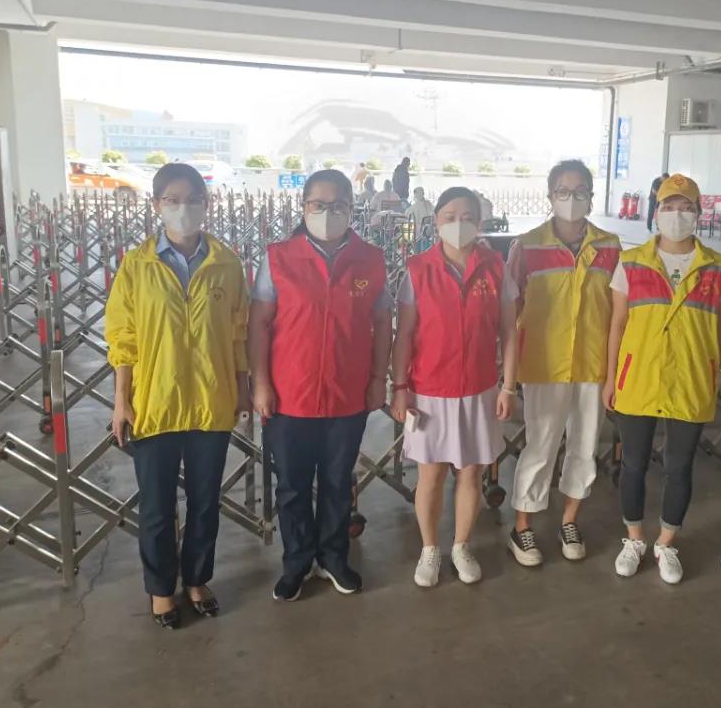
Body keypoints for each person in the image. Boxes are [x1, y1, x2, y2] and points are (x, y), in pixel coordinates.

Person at [106, 162, 250, 629]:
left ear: (207, 205)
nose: (183, 208)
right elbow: (123, 338)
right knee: (156, 505)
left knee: (206, 500)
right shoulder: (137, 265)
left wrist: (242, 388)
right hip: (154, 402)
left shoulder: (226, 264)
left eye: (192, 200)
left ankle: (197, 580)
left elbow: (239, 334)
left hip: (211, 400)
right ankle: (161, 589)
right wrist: (122, 401)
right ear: (156, 205)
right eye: (172, 199)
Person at [248, 169, 392, 601]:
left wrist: (378, 379)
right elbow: (259, 324)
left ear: (352, 208)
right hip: (289, 394)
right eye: (318, 204)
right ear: (304, 206)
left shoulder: (371, 259)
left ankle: (333, 557)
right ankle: (297, 562)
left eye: (338, 205)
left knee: (337, 482)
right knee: (292, 486)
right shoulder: (278, 258)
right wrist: (260, 383)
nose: (328, 213)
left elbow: (383, 323)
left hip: (348, 393)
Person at [603, 175, 721, 583]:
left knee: (679, 467)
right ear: (656, 212)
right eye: (669, 206)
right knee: (633, 464)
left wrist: (713, 373)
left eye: (687, 207)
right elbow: (617, 323)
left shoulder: (718, 267)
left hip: (691, 380)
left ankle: (666, 542)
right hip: (637, 379)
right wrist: (611, 378)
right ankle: (634, 539)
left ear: (699, 213)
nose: (678, 215)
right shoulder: (631, 261)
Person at [390, 187, 519, 587]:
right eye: (449, 217)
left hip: (479, 388)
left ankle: (462, 545)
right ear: (436, 222)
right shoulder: (417, 269)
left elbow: (509, 332)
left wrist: (508, 387)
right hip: (430, 389)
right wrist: (399, 385)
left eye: (467, 217)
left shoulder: (496, 268)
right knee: (431, 474)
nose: (458, 224)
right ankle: (430, 548)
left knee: (470, 472)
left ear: (480, 223)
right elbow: (404, 334)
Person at [506, 159, 621, 566]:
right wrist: (507, 372)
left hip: (592, 362)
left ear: (591, 195)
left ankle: (569, 521)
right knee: (541, 446)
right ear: (550, 195)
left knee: (585, 446)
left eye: (580, 191)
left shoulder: (610, 247)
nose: (571, 198)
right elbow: (509, 309)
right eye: (563, 191)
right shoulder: (528, 246)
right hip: (544, 363)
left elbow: (618, 310)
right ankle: (522, 526)